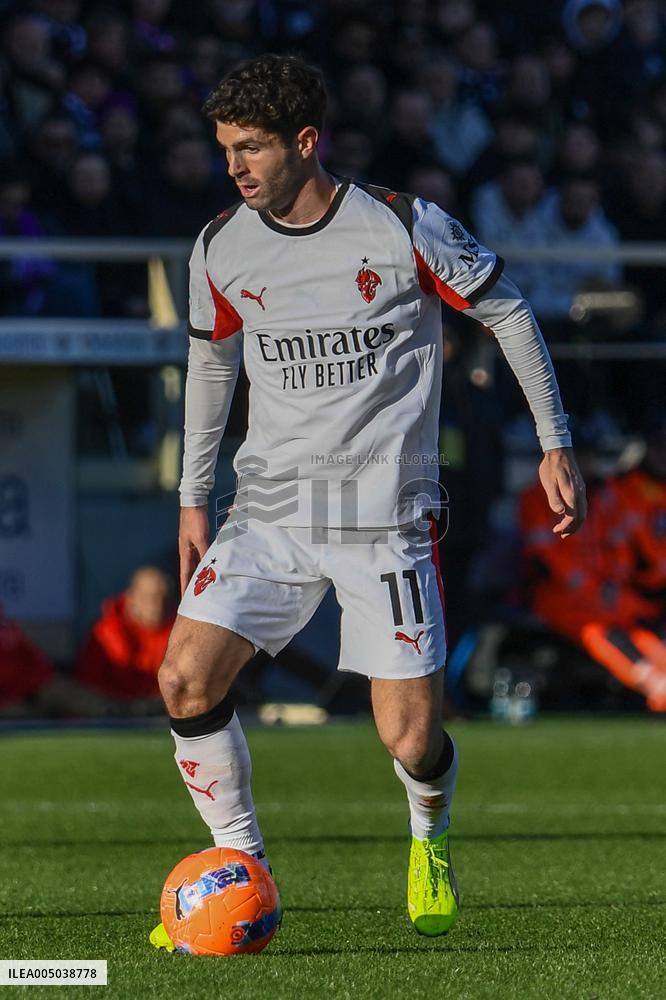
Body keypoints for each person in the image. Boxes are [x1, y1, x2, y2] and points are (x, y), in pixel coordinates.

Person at [150, 53, 585, 951]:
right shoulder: (219, 247)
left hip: (385, 519)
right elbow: (210, 369)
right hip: (267, 511)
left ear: (307, 143)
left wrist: (555, 441)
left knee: (409, 738)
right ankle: (245, 872)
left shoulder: (400, 226)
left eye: (253, 148)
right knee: (184, 677)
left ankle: (429, 838)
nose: (234, 166)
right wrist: (194, 501)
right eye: (226, 147)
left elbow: (508, 311)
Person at [77, 566, 175, 703]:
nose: (157, 605)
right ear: (131, 597)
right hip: (115, 714)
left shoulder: (178, 633)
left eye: (164, 597)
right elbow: (88, 685)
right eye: (149, 598)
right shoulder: (105, 633)